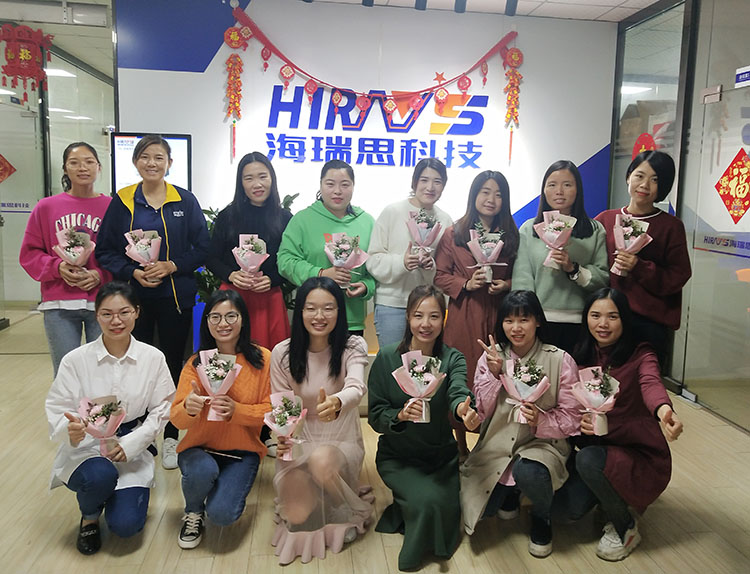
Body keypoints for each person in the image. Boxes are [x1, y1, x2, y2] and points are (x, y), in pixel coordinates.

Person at [95, 134, 210, 470]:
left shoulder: (184, 200)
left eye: (159, 157)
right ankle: (139, 437)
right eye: (145, 157)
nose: (152, 163)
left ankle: (171, 435)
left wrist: (172, 265)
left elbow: (203, 247)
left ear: (169, 163)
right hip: (133, 303)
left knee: (173, 367)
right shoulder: (123, 201)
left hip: (175, 299)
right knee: (136, 370)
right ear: (135, 162)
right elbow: (105, 251)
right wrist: (132, 271)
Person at [45, 280, 175, 555]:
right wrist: (70, 429)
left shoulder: (153, 358)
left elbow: (163, 407)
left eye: (124, 312)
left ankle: (116, 498)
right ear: (96, 316)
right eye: (107, 314)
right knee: (99, 476)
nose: (116, 321)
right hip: (88, 446)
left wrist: (135, 442)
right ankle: (90, 515)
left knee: (126, 526)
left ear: (137, 312)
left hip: (131, 443)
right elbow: (58, 406)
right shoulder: (75, 360)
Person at [555, 288, 683, 561]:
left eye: (612, 316)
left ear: (625, 319)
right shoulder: (580, 355)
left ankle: (626, 526)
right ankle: (611, 497)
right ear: (586, 318)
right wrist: (579, 421)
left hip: (636, 452)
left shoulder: (641, 354)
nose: (603, 324)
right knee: (566, 512)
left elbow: (650, 383)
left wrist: (664, 411)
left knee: (588, 460)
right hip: (598, 449)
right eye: (595, 315)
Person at [368, 285, 480, 571]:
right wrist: (400, 415)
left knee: (447, 508)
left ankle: (408, 508)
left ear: (443, 319)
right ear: (407, 316)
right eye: (418, 315)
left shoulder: (452, 358)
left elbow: (458, 389)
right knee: (428, 502)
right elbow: (376, 415)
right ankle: (412, 537)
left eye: (434, 316)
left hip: (440, 457)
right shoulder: (386, 357)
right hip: (398, 456)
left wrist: (462, 409)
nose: (426, 324)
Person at [460, 290, 580, 558]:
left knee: (530, 472)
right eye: (509, 320)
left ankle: (541, 515)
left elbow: (572, 418)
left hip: (543, 445)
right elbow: (482, 410)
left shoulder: (559, 360)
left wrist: (542, 420)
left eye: (524, 319)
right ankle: (511, 493)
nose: (516, 328)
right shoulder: (492, 357)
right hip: (498, 444)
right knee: (483, 510)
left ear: (538, 321)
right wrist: (495, 375)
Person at [270, 276, 373, 564]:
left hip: (340, 437)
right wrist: (282, 438)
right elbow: (282, 407)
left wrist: (337, 402)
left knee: (321, 462)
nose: (319, 316)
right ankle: (319, 494)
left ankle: (346, 507)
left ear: (339, 311)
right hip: (301, 439)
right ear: (300, 311)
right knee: (296, 514)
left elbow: (356, 386)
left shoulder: (353, 345)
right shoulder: (282, 353)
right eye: (311, 308)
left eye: (328, 308)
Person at [170, 289, 271, 549]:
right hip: (199, 449)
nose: (223, 323)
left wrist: (238, 411)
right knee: (203, 471)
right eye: (215, 317)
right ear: (206, 322)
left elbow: (272, 410)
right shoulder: (195, 364)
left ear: (243, 319)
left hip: (242, 453)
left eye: (231, 316)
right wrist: (189, 408)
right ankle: (193, 510)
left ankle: (219, 492)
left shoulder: (263, 359)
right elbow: (177, 420)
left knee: (222, 515)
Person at [435, 170, 520, 456]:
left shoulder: (511, 234)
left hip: (499, 312)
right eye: (485, 192)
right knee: (463, 373)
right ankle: (459, 444)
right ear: (474, 195)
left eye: (498, 194)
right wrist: (465, 283)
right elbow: (440, 275)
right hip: (464, 312)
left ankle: (490, 445)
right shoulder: (454, 233)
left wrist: (507, 284)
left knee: (497, 376)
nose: (491, 199)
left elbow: (522, 273)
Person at [19, 142, 112, 377]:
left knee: (103, 372)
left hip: (103, 301)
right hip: (59, 302)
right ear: (64, 169)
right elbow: (29, 253)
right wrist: (57, 266)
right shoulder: (46, 207)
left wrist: (100, 274)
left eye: (89, 162)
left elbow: (121, 253)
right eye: (74, 162)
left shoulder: (112, 207)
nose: (83, 167)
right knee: (65, 373)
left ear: (99, 167)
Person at [594, 151, 691, 367]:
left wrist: (640, 267)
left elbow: (679, 275)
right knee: (603, 378)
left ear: (663, 186)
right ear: (628, 176)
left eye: (655, 180)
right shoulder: (605, 219)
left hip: (649, 323)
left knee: (645, 381)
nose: (644, 185)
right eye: (639, 176)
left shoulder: (671, 226)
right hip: (606, 319)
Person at [512, 160, 609, 353]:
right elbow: (522, 278)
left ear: (578, 190)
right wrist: (526, 318)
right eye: (552, 185)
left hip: (580, 323)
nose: (559, 191)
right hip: (538, 322)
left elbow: (603, 278)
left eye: (567, 185)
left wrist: (573, 268)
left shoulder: (594, 230)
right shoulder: (529, 229)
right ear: (544, 190)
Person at [206, 151, 292, 350]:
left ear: (272, 179)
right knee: (231, 354)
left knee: (271, 356)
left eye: (262, 176)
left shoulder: (285, 218)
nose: (257, 184)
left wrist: (272, 279)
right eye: (249, 178)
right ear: (241, 183)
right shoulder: (227, 216)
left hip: (269, 297)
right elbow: (211, 258)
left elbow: (291, 261)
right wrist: (231, 275)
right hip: (232, 298)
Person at [277, 160, 375, 335]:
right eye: (330, 184)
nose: (337, 191)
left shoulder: (367, 222)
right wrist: (320, 274)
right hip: (313, 318)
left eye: (345, 184)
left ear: (353, 186)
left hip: (351, 320)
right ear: (320, 185)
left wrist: (367, 286)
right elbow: (285, 260)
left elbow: (376, 267)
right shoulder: (302, 220)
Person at [366, 158, 453, 347]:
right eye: (424, 180)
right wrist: (402, 263)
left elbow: (446, 271)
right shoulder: (392, 212)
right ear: (414, 182)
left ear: (444, 186)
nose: (430, 187)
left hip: (428, 309)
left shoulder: (445, 220)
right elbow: (373, 260)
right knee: (393, 361)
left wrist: (431, 267)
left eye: (437, 182)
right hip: (392, 305)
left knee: (423, 363)